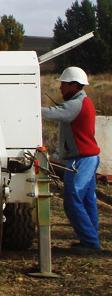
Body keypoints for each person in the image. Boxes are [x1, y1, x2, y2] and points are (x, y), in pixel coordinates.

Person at [41, 66, 101, 252]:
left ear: (74, 85)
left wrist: (31, 109)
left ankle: (90, 243)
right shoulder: (81, 101)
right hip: (87, 158)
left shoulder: (77, 103)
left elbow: (55, 113)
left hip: (81, 160)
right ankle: (92, 240)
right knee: (87, 200)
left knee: (72, 198)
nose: (60, 88)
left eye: (63, 84)